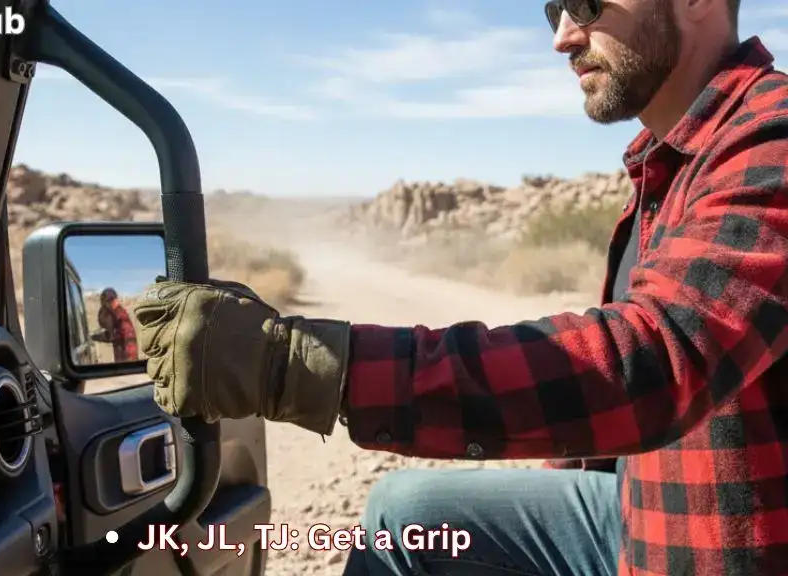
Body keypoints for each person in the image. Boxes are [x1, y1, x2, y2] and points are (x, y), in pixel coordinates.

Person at [131, 0, 788, 574]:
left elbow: (656, 362)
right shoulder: (674, 162)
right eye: (553, 10)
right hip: (636, 512)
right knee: (403, 513)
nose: (563, 36)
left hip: (718, 550)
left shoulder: (772, 141)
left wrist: (299, 368)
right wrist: (558, 465)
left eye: (586, 3)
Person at [92, 288, 139, 362]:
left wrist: (96, 337)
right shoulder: (118, 313)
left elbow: (112, 335)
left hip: (127, 358)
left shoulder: (118, 315)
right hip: (126, 357)